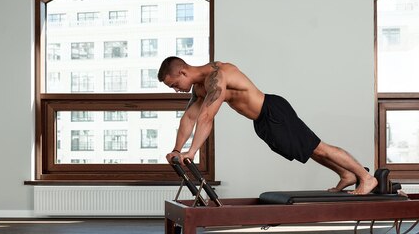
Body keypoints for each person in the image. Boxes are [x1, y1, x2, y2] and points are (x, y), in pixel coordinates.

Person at [158, 57, 378, 195]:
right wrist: (177, 149)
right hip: (262, 122)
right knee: (308, 150)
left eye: (175, 84)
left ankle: (366, 178)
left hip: (273, 112)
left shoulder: (217, 75)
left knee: (318, 147)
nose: (176, 89)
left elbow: (207, 116)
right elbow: (188, 118)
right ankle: (346, 175)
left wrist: (192, 151)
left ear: (183, 72)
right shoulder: (198, 88)